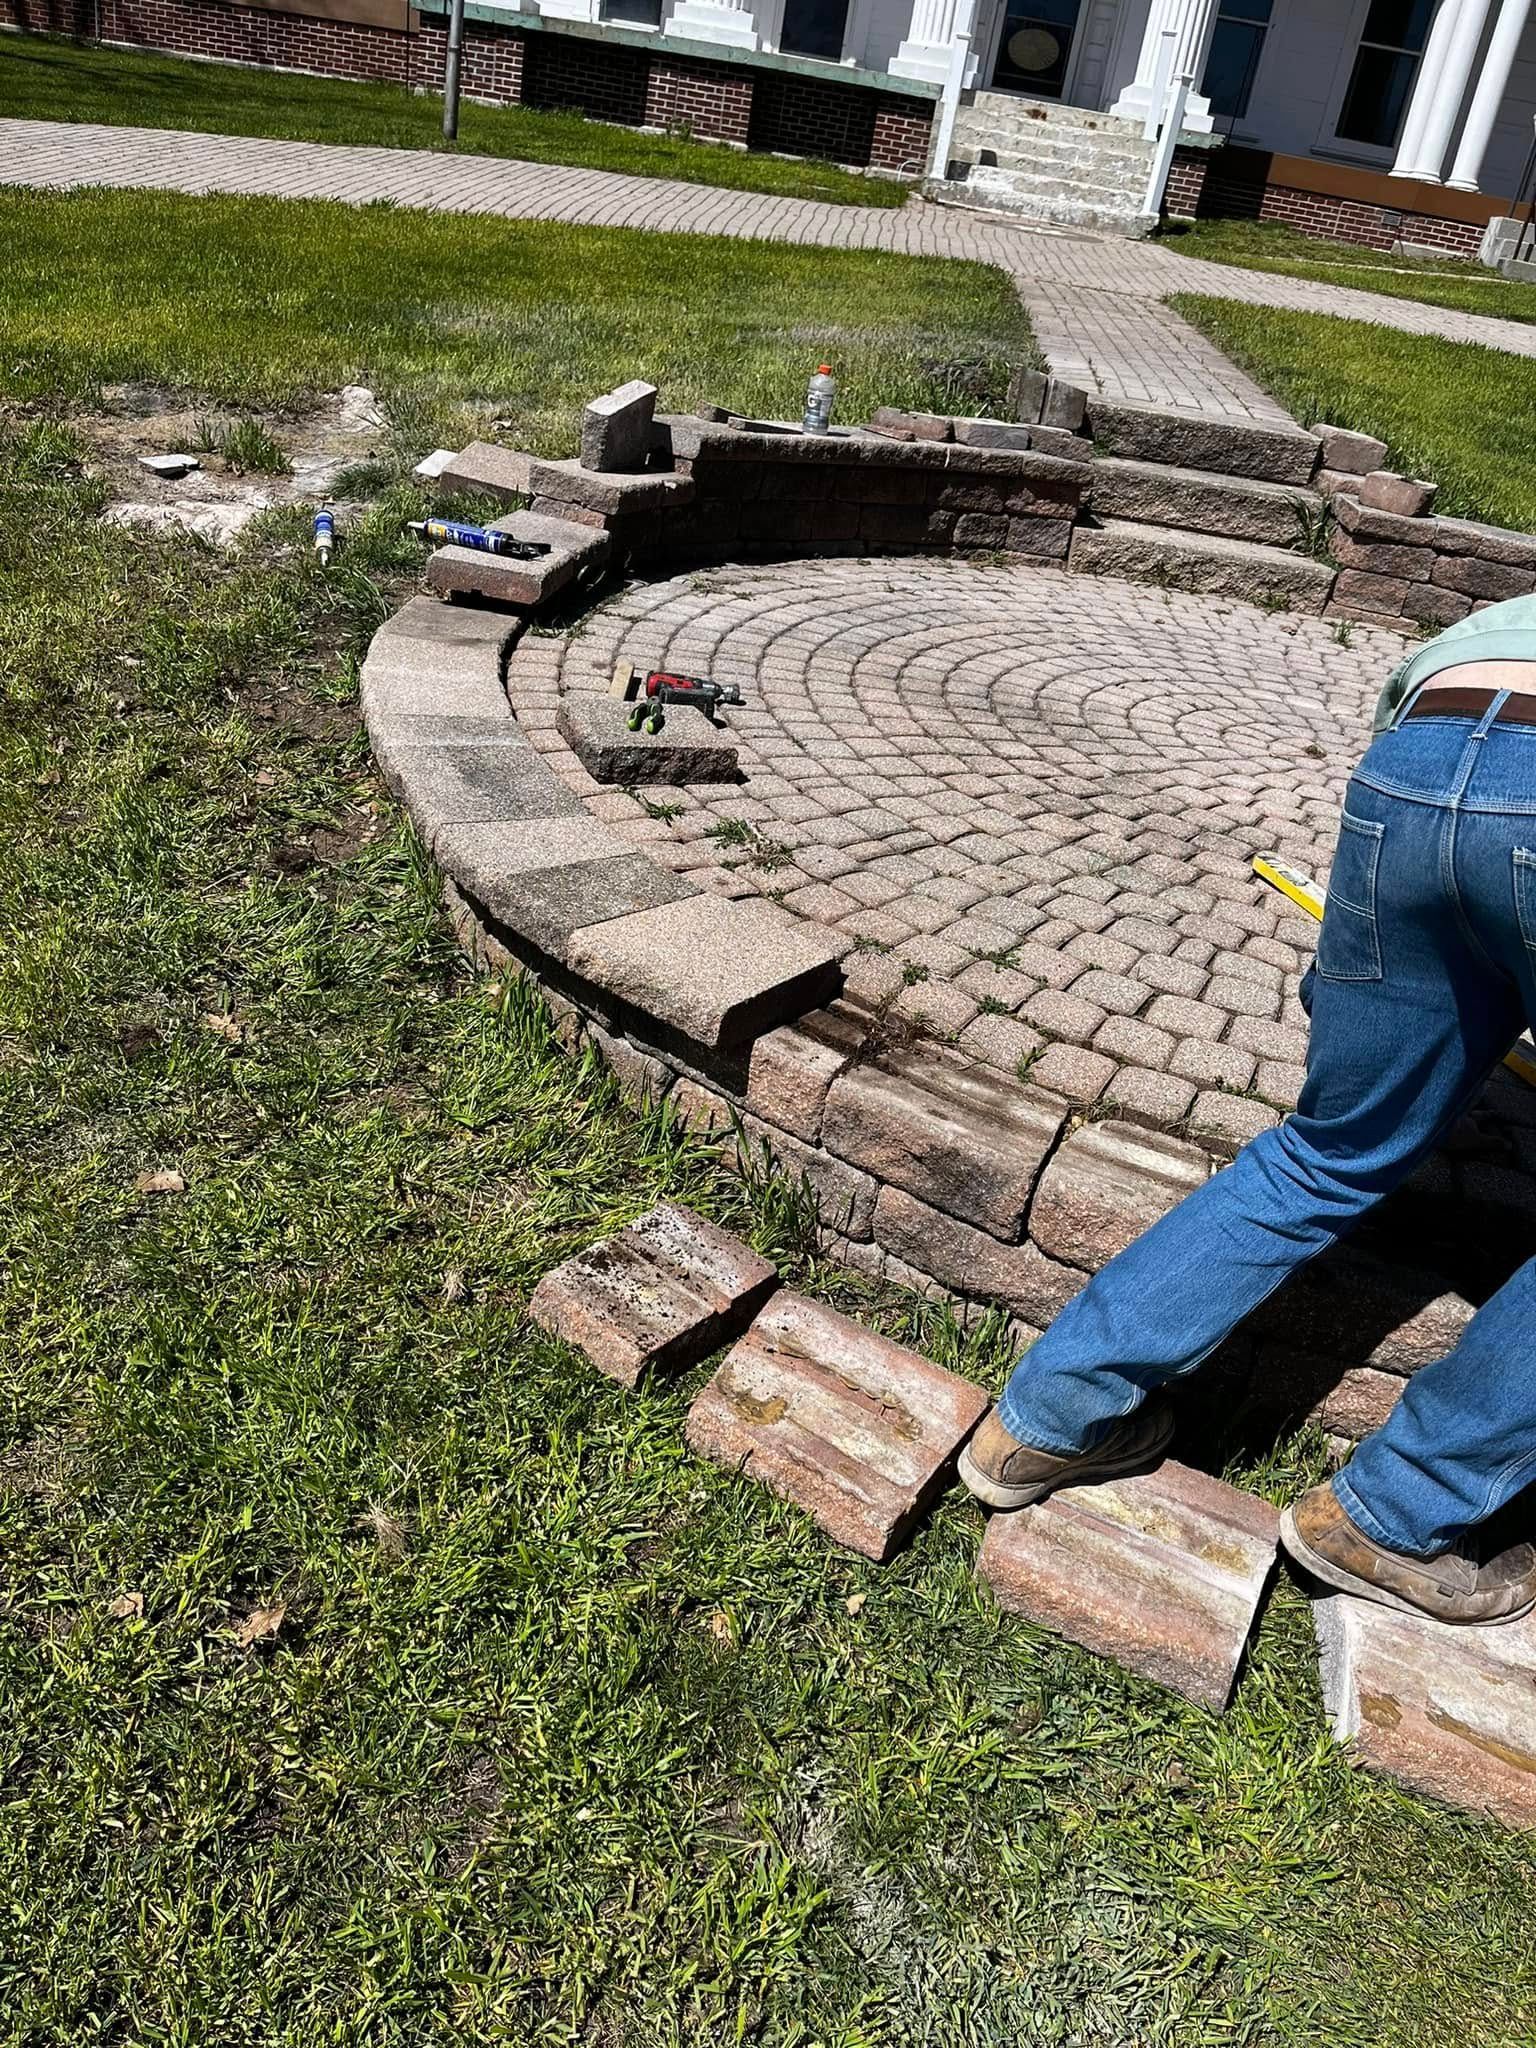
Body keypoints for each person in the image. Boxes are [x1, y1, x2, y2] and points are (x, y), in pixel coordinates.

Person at [960, 594, 1536, 1627]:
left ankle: (1045, 1415)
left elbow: (1450, 782)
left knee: (1328, 1151)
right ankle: (1397, 1513)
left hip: (1420, 754)